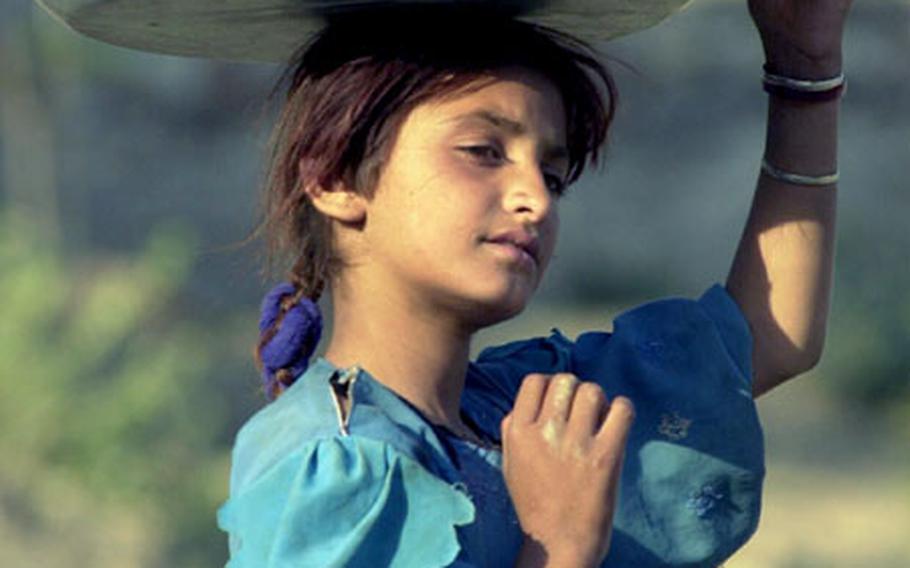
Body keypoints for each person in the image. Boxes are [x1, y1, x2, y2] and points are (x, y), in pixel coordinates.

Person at [202, 2, 851, 567]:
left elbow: (767, 338)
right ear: (334, 176)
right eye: (484, 151)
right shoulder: (330, 471)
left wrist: (805, 64)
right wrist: (558, 544)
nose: (535, 199)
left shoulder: (520, 412)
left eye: (554, 174)